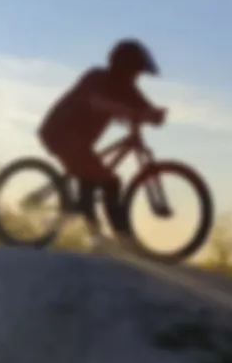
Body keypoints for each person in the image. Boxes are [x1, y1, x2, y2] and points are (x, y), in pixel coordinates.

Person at [37, 38, 168, 238]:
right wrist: (130, 112)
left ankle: (93, 222)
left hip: (80, 143)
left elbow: (144, 108)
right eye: (135, 72)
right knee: (109, 181)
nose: (136, 77)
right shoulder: (96, 78)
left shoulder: (128, 90)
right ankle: (118, 235)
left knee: (93, 175)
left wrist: (155, 114)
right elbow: (97, 102)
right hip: (58, 133)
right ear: (122, 68)